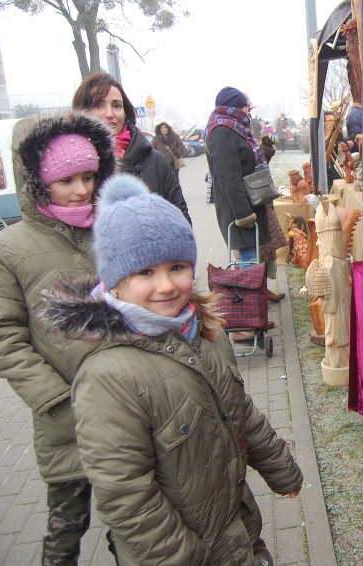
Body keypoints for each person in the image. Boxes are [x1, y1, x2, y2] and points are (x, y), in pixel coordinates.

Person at [41, 175, 304, 565]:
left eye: (177, 267)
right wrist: (185, 556)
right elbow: (127, 497)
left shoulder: (205, 331)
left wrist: (281, 469)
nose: (165, 286)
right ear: (114, 283)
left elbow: (240, 409)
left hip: (233, 529)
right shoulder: (107, 376)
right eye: (144, 272)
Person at [0, 112, 116, 565]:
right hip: (67, 415)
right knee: (66, 528)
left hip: (129, 405)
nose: (81, 190)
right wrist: (54, 398)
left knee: (134, 521)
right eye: (66, 180)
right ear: (37, 181)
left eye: (89, 176)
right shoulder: (8, 249)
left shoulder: (111, 228)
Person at [72, 72, 191, 223]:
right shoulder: (70, 165)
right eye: (98, 105)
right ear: (81, 111)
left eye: (116, 106)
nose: (109, 114)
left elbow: (181, 221)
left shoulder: (155, 161)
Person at [204, 86, 285, 303]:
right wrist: (243, 215)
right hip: (239, 211)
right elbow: (228, 178)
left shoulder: (234, 129)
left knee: (251, 263)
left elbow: (246, 165)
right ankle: (247, 320)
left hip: (247, 206)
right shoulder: (221, 132)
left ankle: (252, 315)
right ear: (235, 107)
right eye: (246, 106)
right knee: (248, 265)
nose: (249, 111)